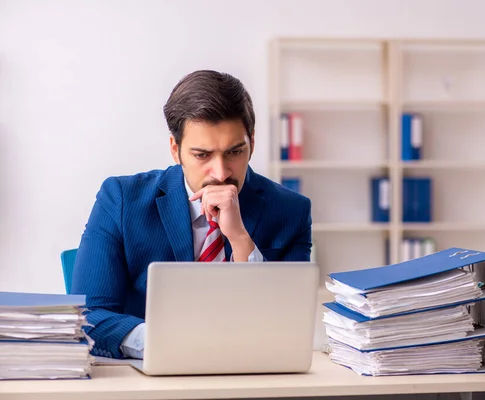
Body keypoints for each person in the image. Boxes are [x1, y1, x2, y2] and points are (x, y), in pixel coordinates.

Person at [71, 70, 312, 359]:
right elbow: (89, 316)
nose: (222, 173)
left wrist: (239, 239)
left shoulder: (291, 210)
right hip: (153, 377)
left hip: (253, 375)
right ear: (176, 150)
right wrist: (171, 343)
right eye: (202, 155)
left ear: (252, 143)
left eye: (235, 152)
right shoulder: (121, 199)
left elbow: (289, 324)